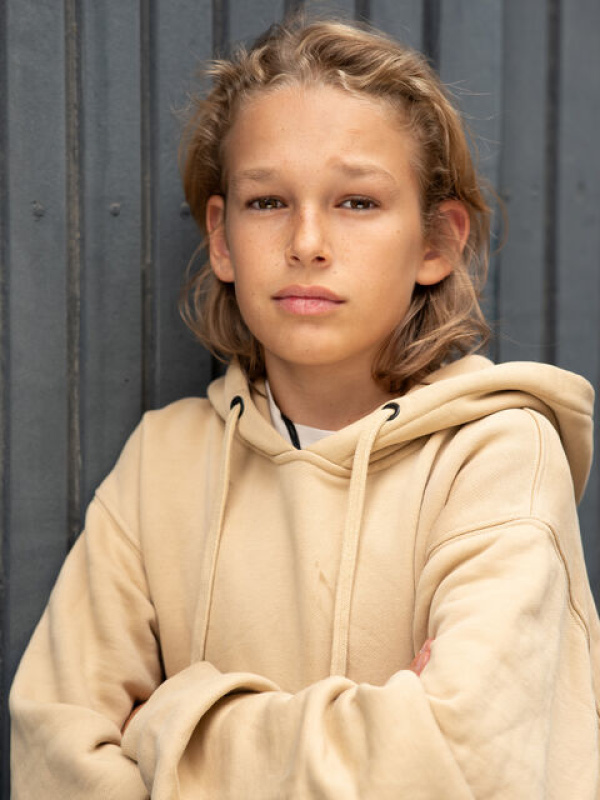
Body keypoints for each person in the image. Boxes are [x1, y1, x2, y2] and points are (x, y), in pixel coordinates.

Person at [10, 16, 600, 799]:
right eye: (267, 202)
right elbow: (52, 757)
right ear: (222, 238)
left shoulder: (496, 458)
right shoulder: (163, 464)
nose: (307, 241)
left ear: (436, 242)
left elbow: (458, 766)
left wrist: (170, 724)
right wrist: (374, 737)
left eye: (357, 201)